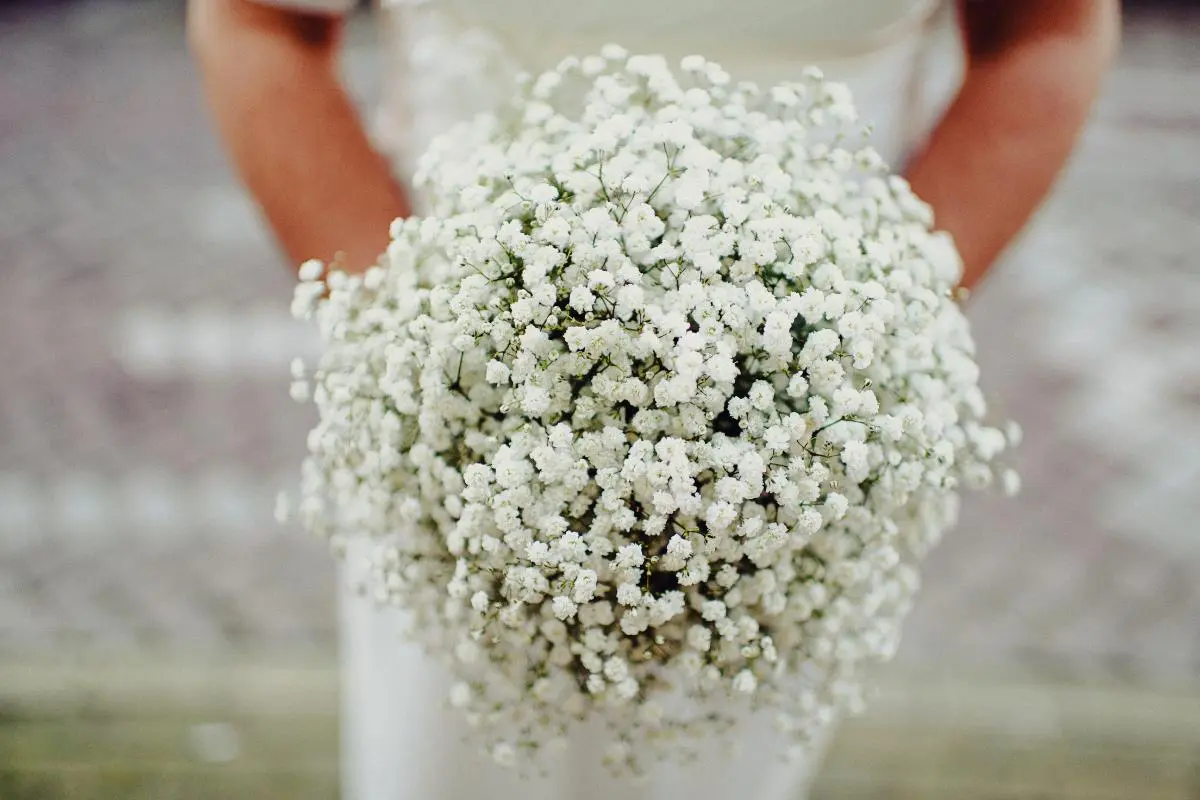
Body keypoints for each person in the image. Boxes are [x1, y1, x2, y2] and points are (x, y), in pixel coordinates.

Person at [189, 2, 1119, 798]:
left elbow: (1050, 30)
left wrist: (870, 339)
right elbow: (255, 18)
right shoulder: (445, 387)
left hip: (792, 429)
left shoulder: (820, 416)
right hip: (472, 409)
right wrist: (414, 346)